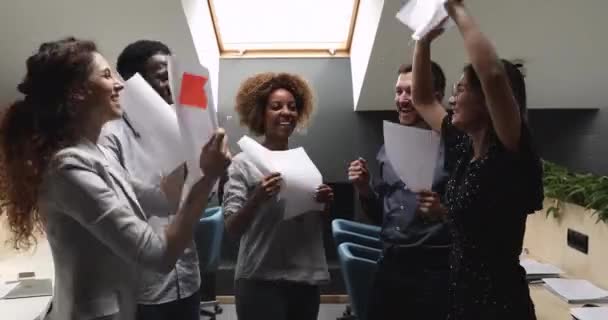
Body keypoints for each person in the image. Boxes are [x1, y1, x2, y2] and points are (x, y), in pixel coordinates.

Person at [0, 37, 231, 320]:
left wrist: (193, 156)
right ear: (77, 93)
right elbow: (159, 256)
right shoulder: (68, 168)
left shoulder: (95, 154)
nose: (120, 85)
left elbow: (162, 201)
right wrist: (207, 178)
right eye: (107, 75)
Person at [410, 1, 544, 319]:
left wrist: (456, 9)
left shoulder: (510, 151)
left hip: (500, 307)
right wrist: (422, 40)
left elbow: (494, 75)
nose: (452, 99)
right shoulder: (464, 147)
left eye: (460, 89)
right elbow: (423, 99)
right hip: (461, 300)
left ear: (487, 101)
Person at [100, 40, 201, 320]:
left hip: (188, 275)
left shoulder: (184, 126)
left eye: (173, 76)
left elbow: (196, 201)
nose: (171, 85)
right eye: (162, 77)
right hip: (145, 283)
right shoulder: (111, 135)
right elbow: (119, 198)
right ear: (133, 83)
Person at [222, 72, 333, 320]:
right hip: (259, 279)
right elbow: (231, 228)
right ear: (261, 113)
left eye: (292, 107)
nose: (286, 112)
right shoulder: (242, 164)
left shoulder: (305, 163)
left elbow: (316, 224)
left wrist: (324, 204)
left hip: (305, 278)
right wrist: (257, 197)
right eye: (276, 107)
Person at [348, 62, 451, 320]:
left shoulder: (457, 150)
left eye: (410, 92)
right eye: (398, 92)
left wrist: (443, 212)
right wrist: (364, 189)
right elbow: (382, 216)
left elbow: (474, 219)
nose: (402, 100)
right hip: (391, 265)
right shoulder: (389, 148)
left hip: (436, 272)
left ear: (435, 98)